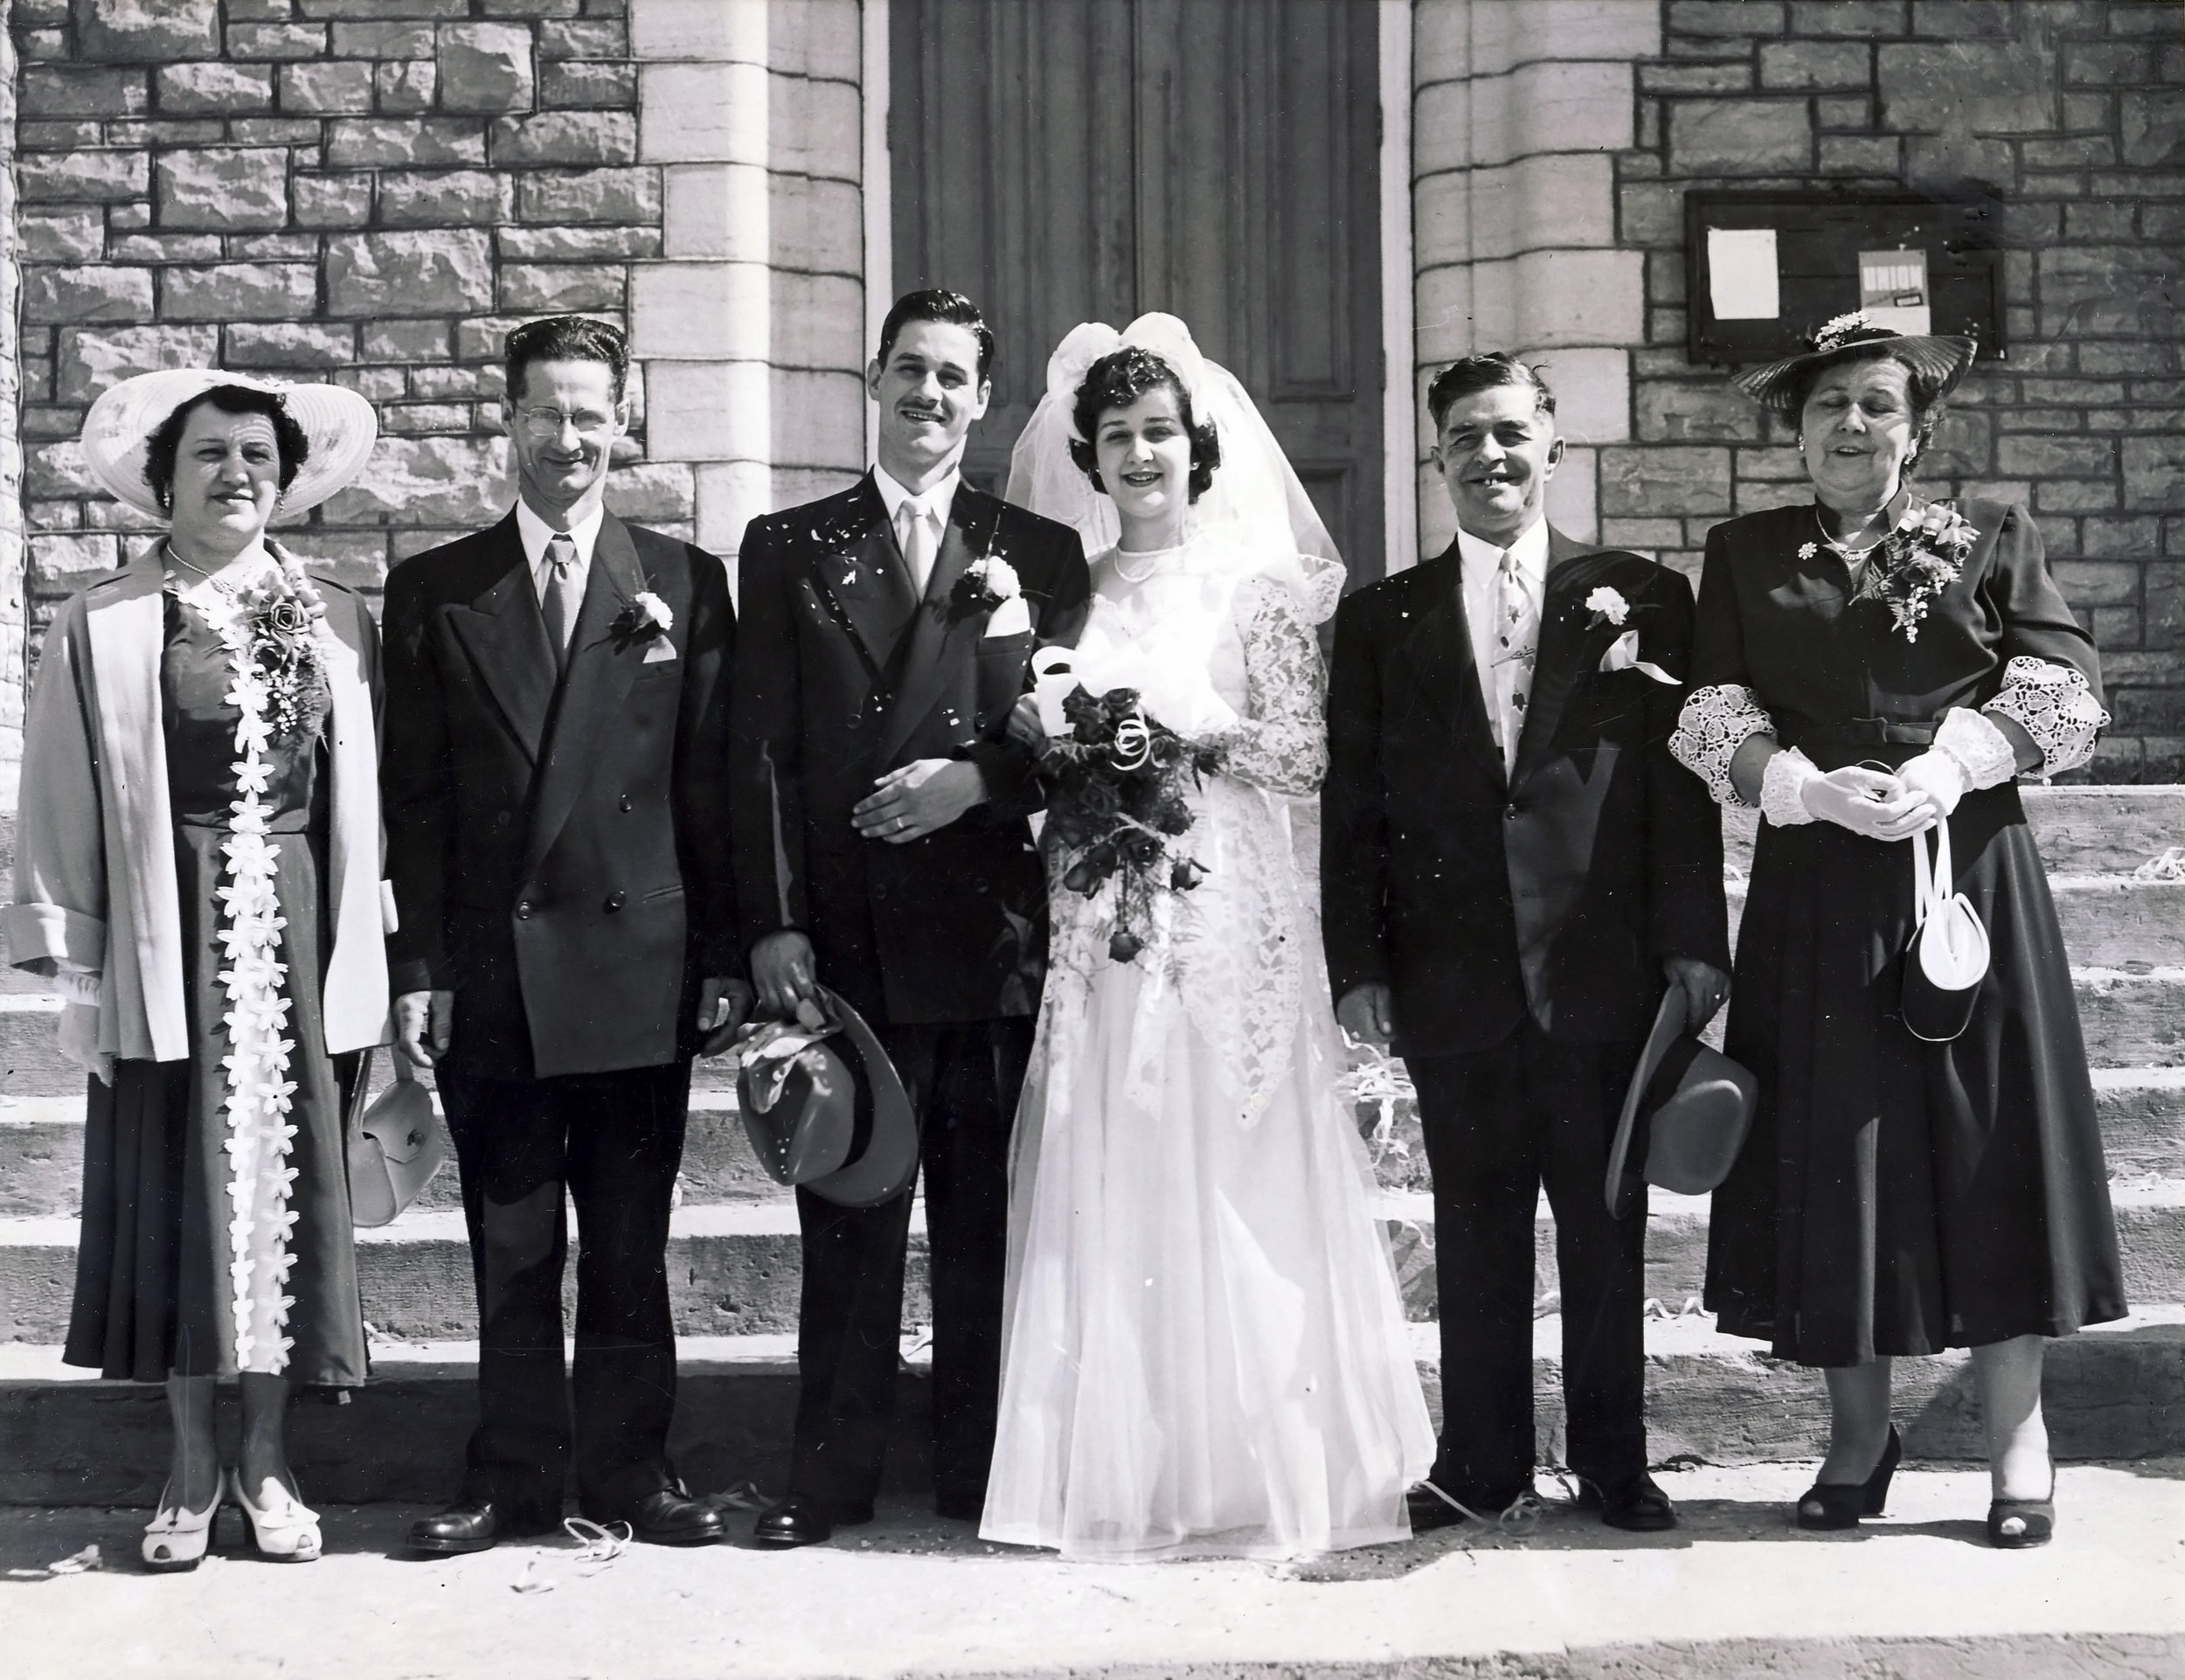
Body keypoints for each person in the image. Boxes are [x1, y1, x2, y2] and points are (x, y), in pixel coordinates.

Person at [982, 315, 1434, 1561]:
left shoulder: (1262, 588)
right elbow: (1048, 742)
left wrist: (1191, 728)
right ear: (1089, 454)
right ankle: (1129, 1471)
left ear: (1199, 448)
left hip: (1232, 907)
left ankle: (1256, 1466)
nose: (1140, 455)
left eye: (1159, 434)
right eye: (1117, 436)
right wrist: (1071, 746)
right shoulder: (1068, 587)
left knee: (1232, 1158)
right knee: (1118, 1152)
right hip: (1108, 912)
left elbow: (1307, 749)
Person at [1668, 313, 2125, 1548]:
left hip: (1964, 875)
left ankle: (2018, 1440)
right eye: (1827, 406)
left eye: (1876, 405)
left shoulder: (1987, 537)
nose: (1850, 426)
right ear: (1796, 427)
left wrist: (1960, 760)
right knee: (1836, 1154)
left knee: (1987, 1144)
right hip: (1818, 887)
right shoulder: (1748, 552)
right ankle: (1858, 1437)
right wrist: (1802, 785)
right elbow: (1714, 708)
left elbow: (2063, 686)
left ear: (1916, 430)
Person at [1322, 354, 1731, 1535]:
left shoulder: (1641, 596)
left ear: (1552, 442)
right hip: (1453, 971)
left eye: (1509, 432)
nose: (1489, 456)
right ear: (1436, 458)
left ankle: (1613, 1462)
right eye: (1464, 438)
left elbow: (1682, 788)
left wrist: (1696, 940)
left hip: (1601, 963)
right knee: (1476, 1222)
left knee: (1605, 1219)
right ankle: (1481, 1461)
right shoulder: (1380, 619)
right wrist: (1360, 965)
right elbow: (1353, 807)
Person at [729, 289, 1090, 1547]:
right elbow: (760, 750)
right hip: (846, 935)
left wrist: (972, 782)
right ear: (872, 382)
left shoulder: (1037, 552)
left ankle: (980, 1470)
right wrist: (772, 925)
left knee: (983, 1218)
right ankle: (828, 1478)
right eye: (909, 373)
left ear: (984, 401)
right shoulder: (786, 543)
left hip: (987, 933)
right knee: (848, 1205)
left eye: (953, 378)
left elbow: (1069, 751)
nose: (929, 397)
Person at [382, 316, 746, 1553]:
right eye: (548, 412)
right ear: (510, 421)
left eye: (592, 412)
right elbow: (415, 799)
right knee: (514, 1235)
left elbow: (711, 786)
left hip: (636, 962)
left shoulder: (687, 582)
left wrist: (729, 957)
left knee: (634, 1243)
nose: (571, 437)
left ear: (624, 420)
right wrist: (418, 967)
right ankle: (513, 1475)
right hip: (495, 969)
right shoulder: (437, 589)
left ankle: (635, 1472)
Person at [10, 371, 385, 1568]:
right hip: (164, 937)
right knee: (178, 1188)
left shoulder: (333, 613)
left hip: (298, 925)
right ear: (165, 481)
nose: (237, 475)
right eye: (212, 455)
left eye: (259, 459)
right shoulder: (107, 620)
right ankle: (187, 1466)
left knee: (288, 1192)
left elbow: (355, 798)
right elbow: (64, 796)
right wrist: (76, 973)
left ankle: (269, 1460)